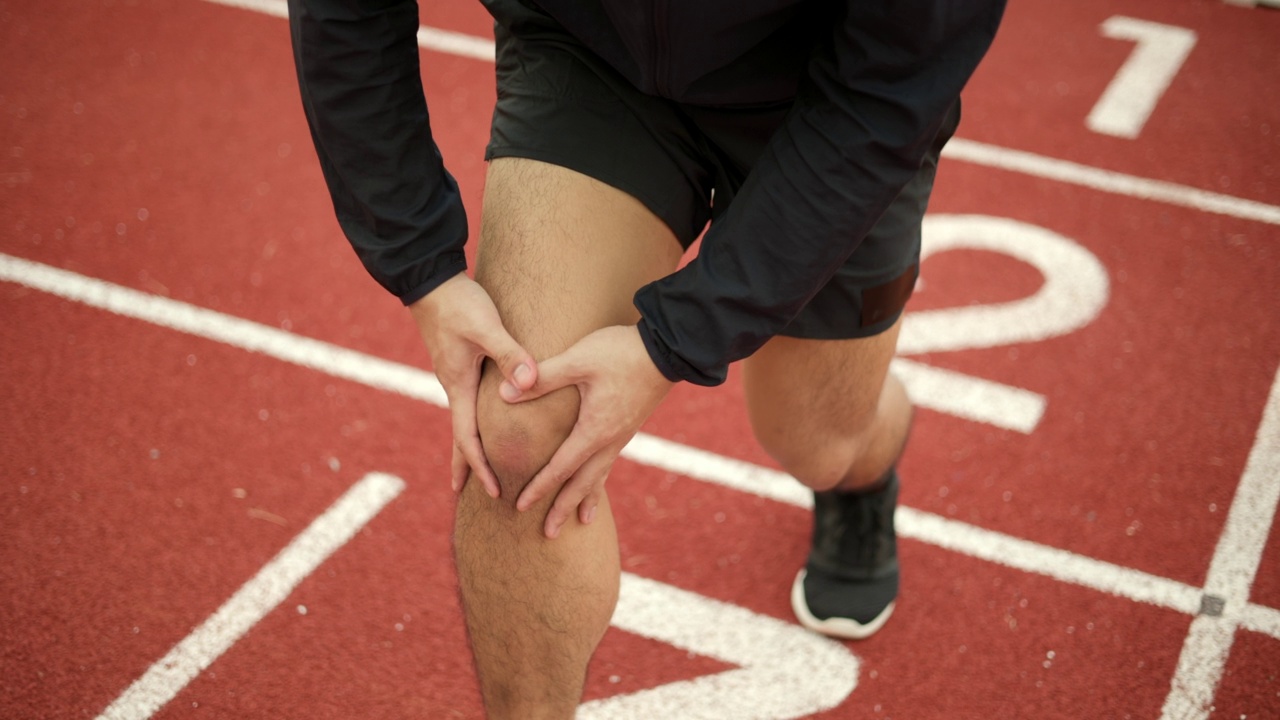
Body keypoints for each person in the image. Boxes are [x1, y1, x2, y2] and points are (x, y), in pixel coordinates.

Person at [289, 0, 1005, 716]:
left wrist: (674, 342)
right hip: (591, 52)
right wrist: (423, 268)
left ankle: (861, 481)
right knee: (519, 431)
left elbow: (886, 95)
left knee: (818, 446)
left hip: (830, 95)